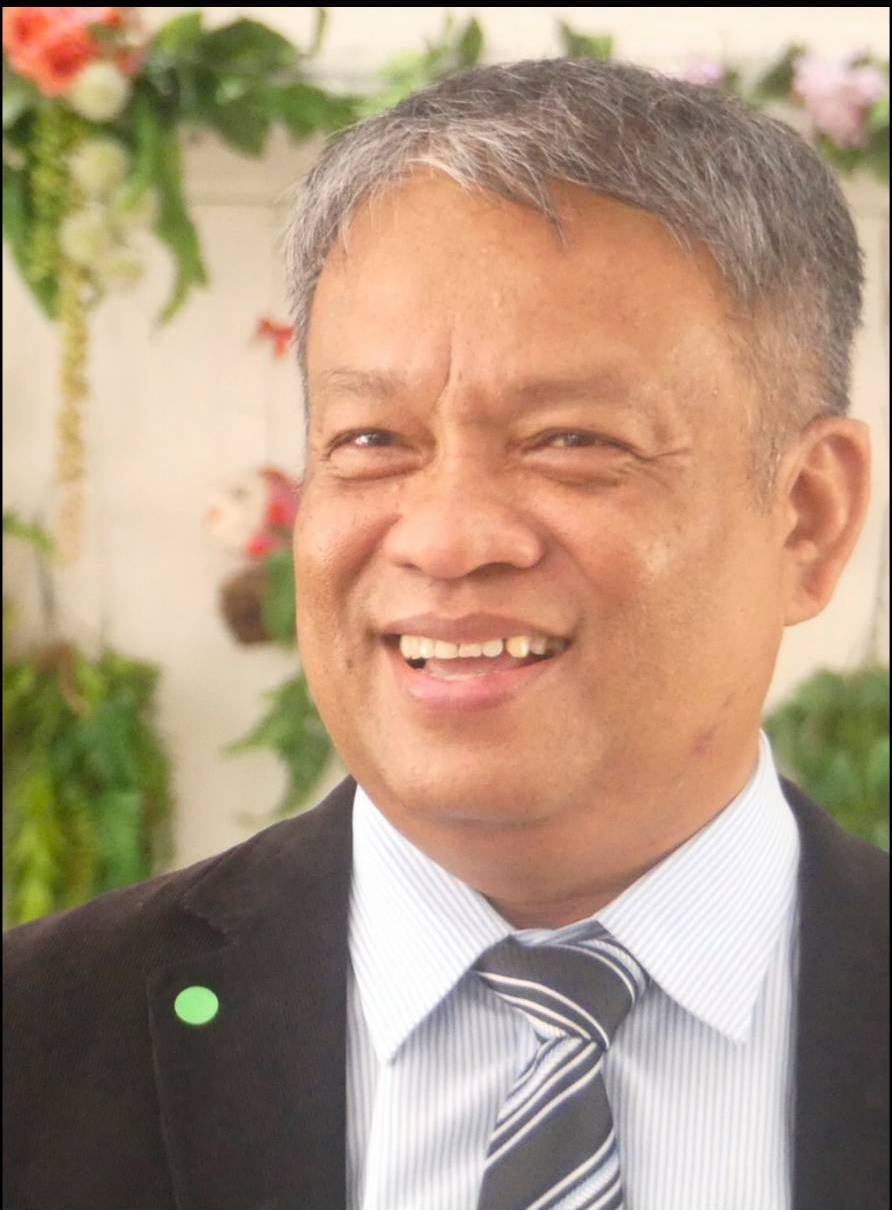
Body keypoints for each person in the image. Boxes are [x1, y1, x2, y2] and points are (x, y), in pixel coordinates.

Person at [4, 56, 888, 1210]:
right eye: (373, 441)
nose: (447, 537)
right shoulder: (38, 1042)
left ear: (808, 516)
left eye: (570, 440)